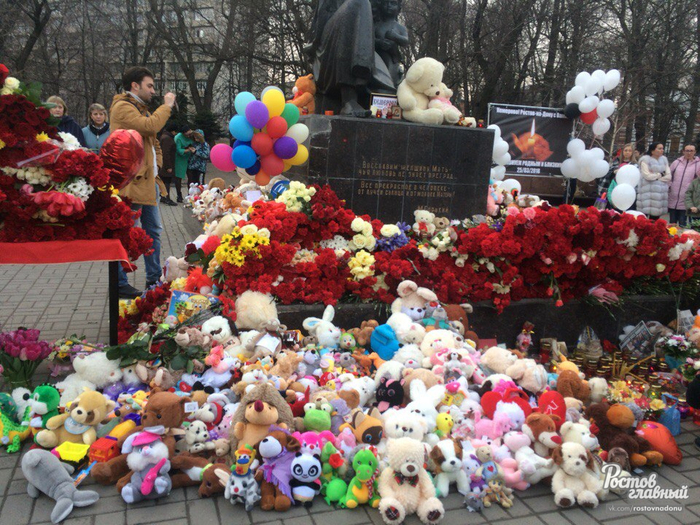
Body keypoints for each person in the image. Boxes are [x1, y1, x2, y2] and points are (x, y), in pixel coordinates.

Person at [110, 66, 175, 298]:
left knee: (153, 232)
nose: (153, 90)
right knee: (127, 233)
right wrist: (166, 106)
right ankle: (119, 282)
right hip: (131, 184)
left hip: (148, 183)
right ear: (134, 86)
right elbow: (150, 127)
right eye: (150, 85)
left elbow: (153, 140)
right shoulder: (123, 107)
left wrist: (154, 165)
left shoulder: (140, 109)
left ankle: (153, 277)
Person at [637, 142, 671, 220]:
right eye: (659, 148)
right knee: (643, 221)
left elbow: (668, 176)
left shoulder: (664, 160)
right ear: (652, 150)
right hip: (646, 195)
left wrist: (655, 176)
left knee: (655, 221)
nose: (662, 150)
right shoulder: (645, 160)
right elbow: (647, 176)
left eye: (662, 148)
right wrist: (661, 174)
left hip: (659, 196)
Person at [668, 144, 700, 226]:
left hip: (687, 201)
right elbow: (669, 176)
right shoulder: (676, 163)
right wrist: (670, 186)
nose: (689, 153)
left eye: (691, 151)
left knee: (683, 224)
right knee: (672, 225)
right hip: (673, 199)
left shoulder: (698, 164)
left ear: (695, 152)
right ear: (683, 151)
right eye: (687, 150)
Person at [158, 122, 178, 206]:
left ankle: (163, 197)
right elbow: (166, 153)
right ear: (172, 131)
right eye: (175, 131)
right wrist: (168, 166)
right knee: (167, 181)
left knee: (165, 181)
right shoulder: (167, 138)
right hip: (166, 164)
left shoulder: (165, 136)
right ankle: (167, 198)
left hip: (165, 164)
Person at [174, 125, 195, 202]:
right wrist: (188, 149)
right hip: (180, 159)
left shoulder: (191, 136)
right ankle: (179, 195)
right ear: (183, 133)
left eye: (190, 134)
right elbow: (179, 150)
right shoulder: (178, 138)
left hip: (189, 159)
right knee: (178, 177)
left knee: (190, 177)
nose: (189, 136)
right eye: (187, 134)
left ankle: (190, 194)